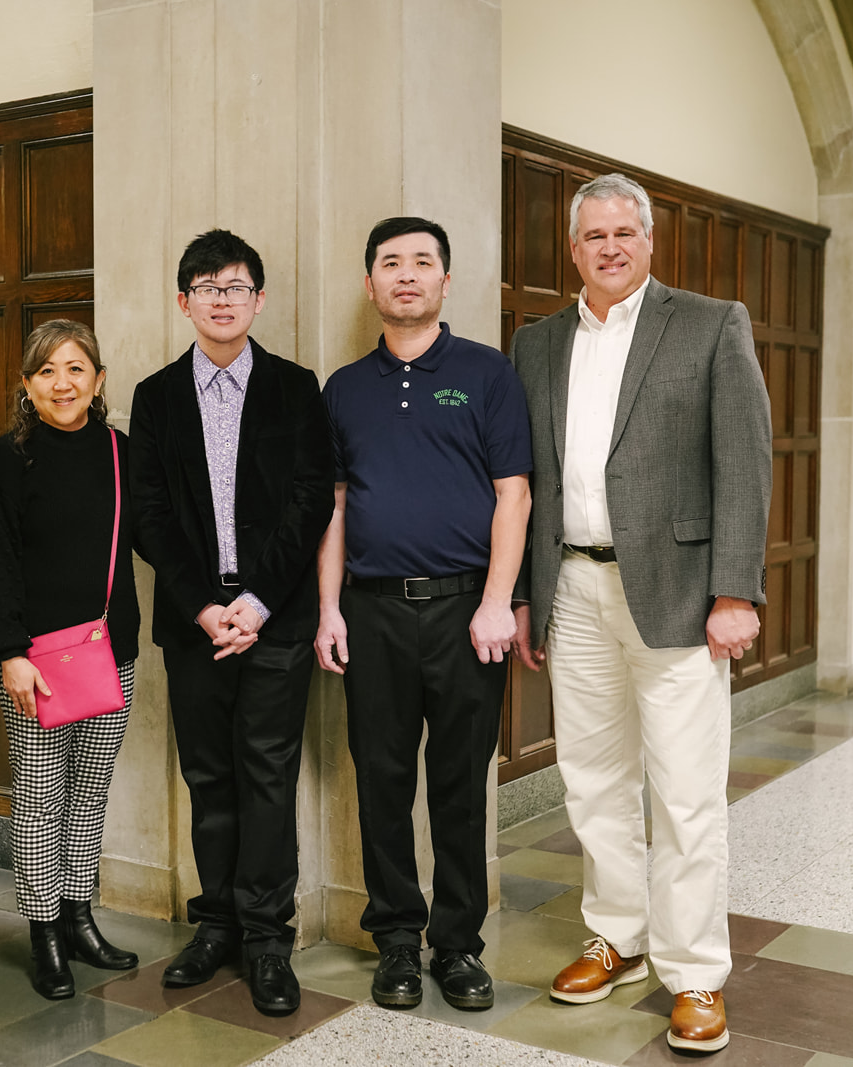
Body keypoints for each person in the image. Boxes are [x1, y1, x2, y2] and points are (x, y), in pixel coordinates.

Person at [508, 173, 771, 1054]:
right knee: (592, 778)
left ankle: (695, 972)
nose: (610, 248)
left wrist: (735, 589)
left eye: (626, 233)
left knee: (687, 791)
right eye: (594, 236)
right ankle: (617, 933)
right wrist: (521, 596)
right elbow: (523, 480)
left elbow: (745, 461)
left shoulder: (708, 322)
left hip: (681, 593)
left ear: (650, 242)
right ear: (572, 248)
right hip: (572, 588)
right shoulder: (535, 342)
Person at [316, 217, 532, 1012]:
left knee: (458, 786)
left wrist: (496, 602)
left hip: (466, 616)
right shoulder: (342, 389)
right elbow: (334, 506)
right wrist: (329, 608)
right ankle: (398, 943)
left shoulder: (486, 374)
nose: (407, 275)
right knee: (380, 779)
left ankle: (458, 945)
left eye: (422, 262)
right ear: (370, 284)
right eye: (390, 263)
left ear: (446, 280)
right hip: (371, 614)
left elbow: (515, 493)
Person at [130, 229, 333, 1017]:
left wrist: (256, 602)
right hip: (194, 624)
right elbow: (148, 514)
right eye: (207, 286)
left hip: (273, 623)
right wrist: (203, 605)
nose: (222, 298)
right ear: (184, 301)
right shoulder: (155, 396)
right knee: (209, 778)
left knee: (268, 776)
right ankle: (215, 924)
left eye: (237, 285)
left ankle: (267, 938)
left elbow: (310, 500)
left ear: (258, 299)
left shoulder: (294, 386)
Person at [0, 319, 141, 1001]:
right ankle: (43, 929)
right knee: (41, 800)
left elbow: (154, 535)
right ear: (27, 384)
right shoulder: (11, 460)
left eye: (76, 369)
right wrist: (10, 653)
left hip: (110, 654)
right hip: (36, 663)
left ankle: (79, 914)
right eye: (47, 370)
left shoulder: (122, 452)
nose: (62, 382)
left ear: (98, 381)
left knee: (90, 789)